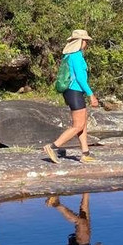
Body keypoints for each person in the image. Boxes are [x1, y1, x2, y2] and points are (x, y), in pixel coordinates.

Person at [43, 30, 100, 164]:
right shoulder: (76, 56)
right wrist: (91, 94)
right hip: (75, 91)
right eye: (85, 41)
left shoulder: (69, 56)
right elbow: (80, 78)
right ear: (79, 41)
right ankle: (52, 147)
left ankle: (85, 153)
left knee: (83, 124)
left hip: (72, 92)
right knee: (78, 125)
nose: (86, 43)